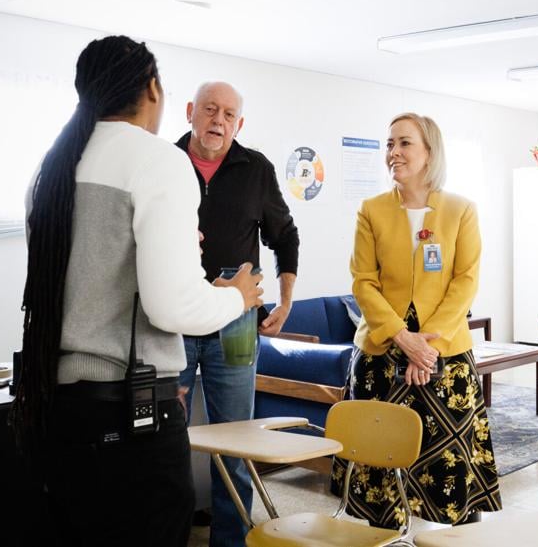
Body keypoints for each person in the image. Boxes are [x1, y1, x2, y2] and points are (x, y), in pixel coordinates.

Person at [10, 36, 264, 547]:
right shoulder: (156, 159)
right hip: (130, 419)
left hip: (56, 411)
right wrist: (239, 295)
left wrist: (175, 255)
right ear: (153, 90)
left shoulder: (52, 166)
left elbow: (93, 275)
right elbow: (174, 305)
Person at [332, 112, 502, 528]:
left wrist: (426, 348)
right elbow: (363, 282)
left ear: (429, 152)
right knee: (378, 465)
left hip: (444, 357)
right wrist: (402, 338)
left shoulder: (461, 210)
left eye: (404, 143)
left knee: (449, 465)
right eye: (389, 144)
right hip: (379, 355)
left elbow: (464, 282)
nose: (394, 152)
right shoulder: (371, 210)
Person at [176, 81, 299, 547]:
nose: (218, 121)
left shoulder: (257, 169)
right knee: (168, 436)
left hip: (238, 323)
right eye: (210, 110)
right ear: (191, 112)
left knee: (237, 441)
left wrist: (285, 300)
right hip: (178, 316)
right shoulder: (166, 163)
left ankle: (229, 541)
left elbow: (285, 236)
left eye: (229, 114)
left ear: (239, 124)